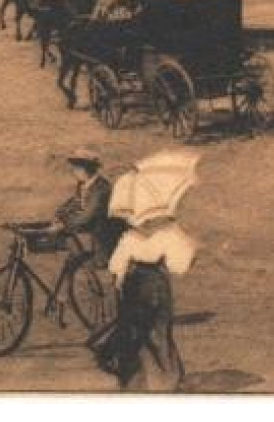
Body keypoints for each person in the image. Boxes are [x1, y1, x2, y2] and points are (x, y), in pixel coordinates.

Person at [91, 214, 196, 391]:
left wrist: (117, 283)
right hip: (159, 283)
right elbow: (178, 266)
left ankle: (136, 377)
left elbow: (117, 265)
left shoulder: (131, 236)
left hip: (136, 285)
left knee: (136, 330)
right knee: (161, 330)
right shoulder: (168, 233)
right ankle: (170, 377)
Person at [52, 150, 125, 319]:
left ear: (88, 169)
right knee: (72, 251)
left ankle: (112, 309)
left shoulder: (102, 189)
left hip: (108, 236)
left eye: (77, 167)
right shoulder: (84, 184)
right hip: (93, 232)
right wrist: (59, 214)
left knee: (103, 269)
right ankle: (65, 294)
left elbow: (88, 215)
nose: (74, 171)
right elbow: (75, 202)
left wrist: (65, 224)